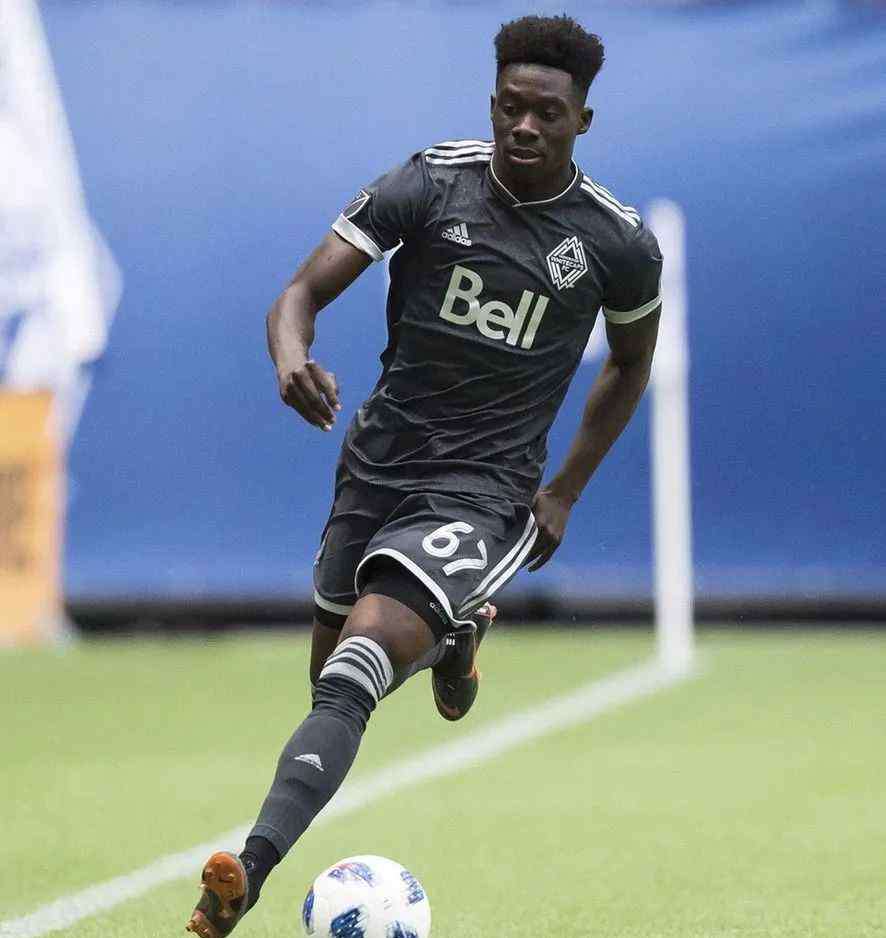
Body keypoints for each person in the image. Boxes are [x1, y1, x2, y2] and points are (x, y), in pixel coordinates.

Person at [186, 13, 662, 937]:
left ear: (583, 121)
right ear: (492, 103)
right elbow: (299, 294)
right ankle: (453, 640)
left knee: (357, 667)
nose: (526, 127)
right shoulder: (432, 182)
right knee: (330, 678)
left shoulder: (616, 242)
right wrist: (291, 356)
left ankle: (245, 874)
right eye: (511, 107)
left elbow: (631, 362)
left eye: (548, 113)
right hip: (376, 468)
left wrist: (563, 490)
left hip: (485, 493)